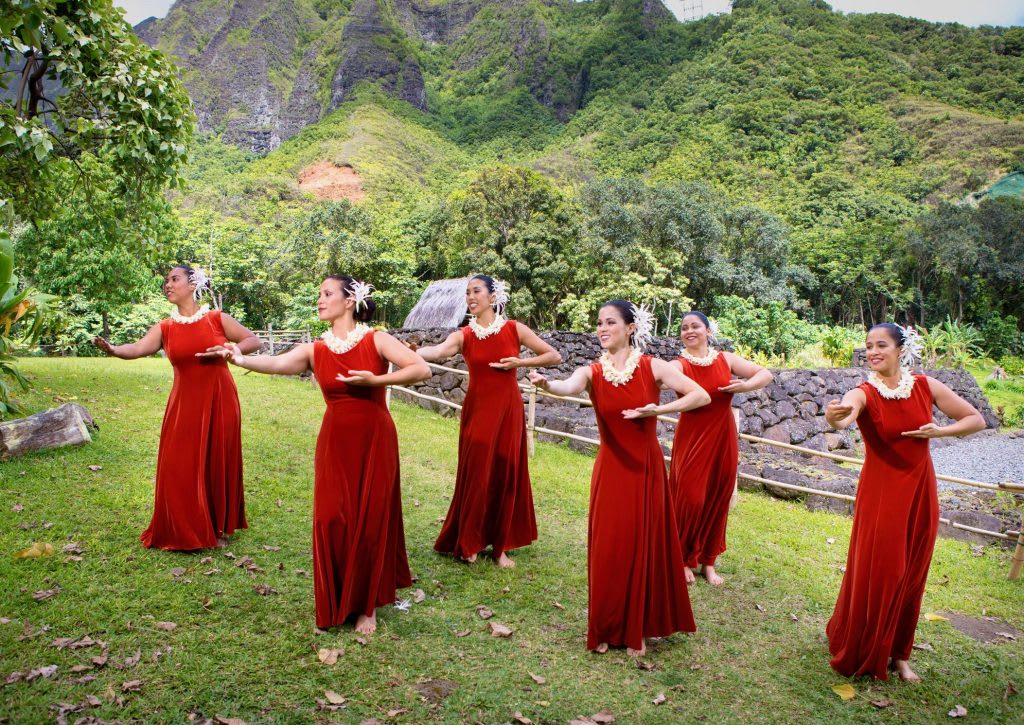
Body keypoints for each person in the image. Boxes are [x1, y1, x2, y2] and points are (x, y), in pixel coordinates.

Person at [209, 275, 430, 634]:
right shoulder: (316, 349)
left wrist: (375, 381)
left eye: (327, 294)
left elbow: (421, 368)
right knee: (331, 517)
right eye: (319, 294)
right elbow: (278, 364)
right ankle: (336, 597)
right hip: (334, 441)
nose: (320, 300)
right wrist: (239, 358)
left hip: (375, 438)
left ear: (350, 300)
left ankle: (367, 606)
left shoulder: (377, 339)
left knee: (370, 517)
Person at [529, 299, 710, 656]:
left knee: (640, 545)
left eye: (610, 322)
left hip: (645, 470)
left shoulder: (653, 366)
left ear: (630, 327)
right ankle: (606, 625)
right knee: (609, 549)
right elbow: (568, 386)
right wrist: (547, 384)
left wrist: (659, 408)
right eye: (599, 322)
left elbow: (700, 395)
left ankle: (636, 627)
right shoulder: (593, 372)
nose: (602, 328)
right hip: (611, 470)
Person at [824, 322, 985, 681]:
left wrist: (940, 431)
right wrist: (835, 417)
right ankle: (865, 645)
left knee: (911, 572)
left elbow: (975, 419)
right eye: (868, 346)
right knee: (884, 571)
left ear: (901, 349)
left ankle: (899, 654)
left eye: (881, 345)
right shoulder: (865, 392)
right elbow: (846, 413)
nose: (873, 351)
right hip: (882, 493)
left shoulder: (926, 386)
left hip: (920, 490)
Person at [93, 265, 259, 550]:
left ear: (192, 284)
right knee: (179, 464)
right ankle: (184, 527)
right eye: (166, 281)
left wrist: (231, 350)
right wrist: (114, 349)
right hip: (183, 404)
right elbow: (139, 348)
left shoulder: (216, 319)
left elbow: (252, 340)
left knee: (216, 458)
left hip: (219, 398)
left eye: (174, 279)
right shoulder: (165, 327)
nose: (167, 285)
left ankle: (218, 527)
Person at [414, 275, 561, 568]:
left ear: (492, 297)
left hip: (508, 412)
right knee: (477, 473)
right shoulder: (464, 335)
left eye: (476, 291)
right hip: (478, 411)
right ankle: (469, 542)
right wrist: (414, 351)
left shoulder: (514, 329)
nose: (470, 297)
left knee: (504, 473)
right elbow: (439, 351)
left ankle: (500, 548)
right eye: (467, 292)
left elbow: (552, 355)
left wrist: (521, 362)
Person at [669, 311, 773, 585]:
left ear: (708, 331)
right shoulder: (679, 364)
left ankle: (708, 561)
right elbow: (653, 376)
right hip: (692, 437)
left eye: (695, 326)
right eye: (684, 328)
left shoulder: (725, 359)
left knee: (718, 495)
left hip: (723, 436)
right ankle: (682, 558)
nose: (689, 331)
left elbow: (765, 374)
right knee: (691, 498)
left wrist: (745, 386)